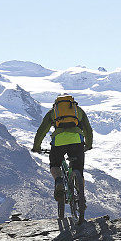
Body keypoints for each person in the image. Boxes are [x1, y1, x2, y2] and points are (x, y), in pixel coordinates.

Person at [32, 94, 93, 223]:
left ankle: (59, 181)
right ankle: (81, 198)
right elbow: (88, 129)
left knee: (55, 164)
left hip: (58, 142)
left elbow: (42, 130)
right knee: (78, 169)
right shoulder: (78, 111)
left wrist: (36, 146)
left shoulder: (53, 112)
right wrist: (88, 144)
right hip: (77, 141)